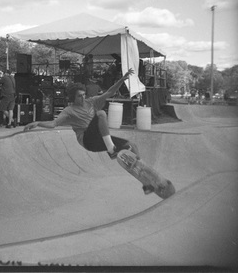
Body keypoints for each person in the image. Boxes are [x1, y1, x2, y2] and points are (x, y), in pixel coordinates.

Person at [24, 68, 154, 195]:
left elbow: (109, 92)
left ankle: (146, 181)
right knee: (101, 114)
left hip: (99, 138)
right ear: (73, 98)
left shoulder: (91, 102)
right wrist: (37, 123)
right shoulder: (69, 110)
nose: (83, 98)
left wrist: (122, 79)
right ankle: (111, 150)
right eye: (79, 96)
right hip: (87, 140)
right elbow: (54, 124)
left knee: (132, 145)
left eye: (84, 95)